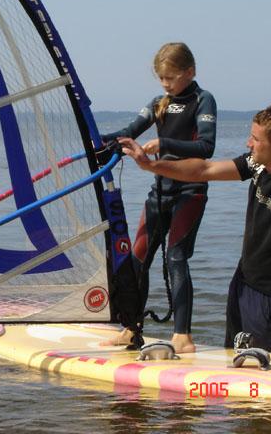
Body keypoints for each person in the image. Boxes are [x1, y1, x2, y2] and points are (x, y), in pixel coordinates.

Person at [118, 105, 271, 356]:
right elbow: (205, 170)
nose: (248, 143)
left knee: (265, 371)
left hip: (270, 298)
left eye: (255, 139)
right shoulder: (257, 166)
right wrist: (149, 166)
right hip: (242, 283)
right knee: (234, 358)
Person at [101, 42, 217, 353]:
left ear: (189, 72)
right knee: (137, 257)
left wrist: (162, 143)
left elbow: (206, 148)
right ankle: (131, 328)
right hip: (161, 190)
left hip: (191, 191)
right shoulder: (158, 102)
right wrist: (96, 141)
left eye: (170, 78)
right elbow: (128, 131)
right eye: (161, 78)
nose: (165, 84)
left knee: (176, 257)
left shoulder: (203, 100)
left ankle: (183, 336)